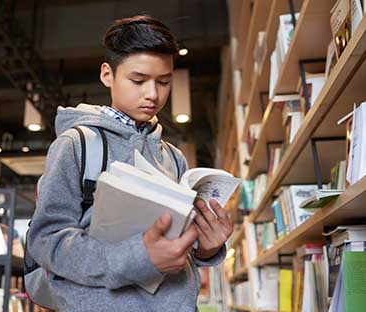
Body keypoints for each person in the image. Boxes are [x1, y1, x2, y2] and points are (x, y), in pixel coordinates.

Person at [27, 15, 233, 312]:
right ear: (107, 74)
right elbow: (45, 242)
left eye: (164, 82)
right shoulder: (77, 145)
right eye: (138, 80)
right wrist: (138, 259)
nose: (153, 94)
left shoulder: (174, 158)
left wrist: (207, 246)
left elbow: (179, 250)